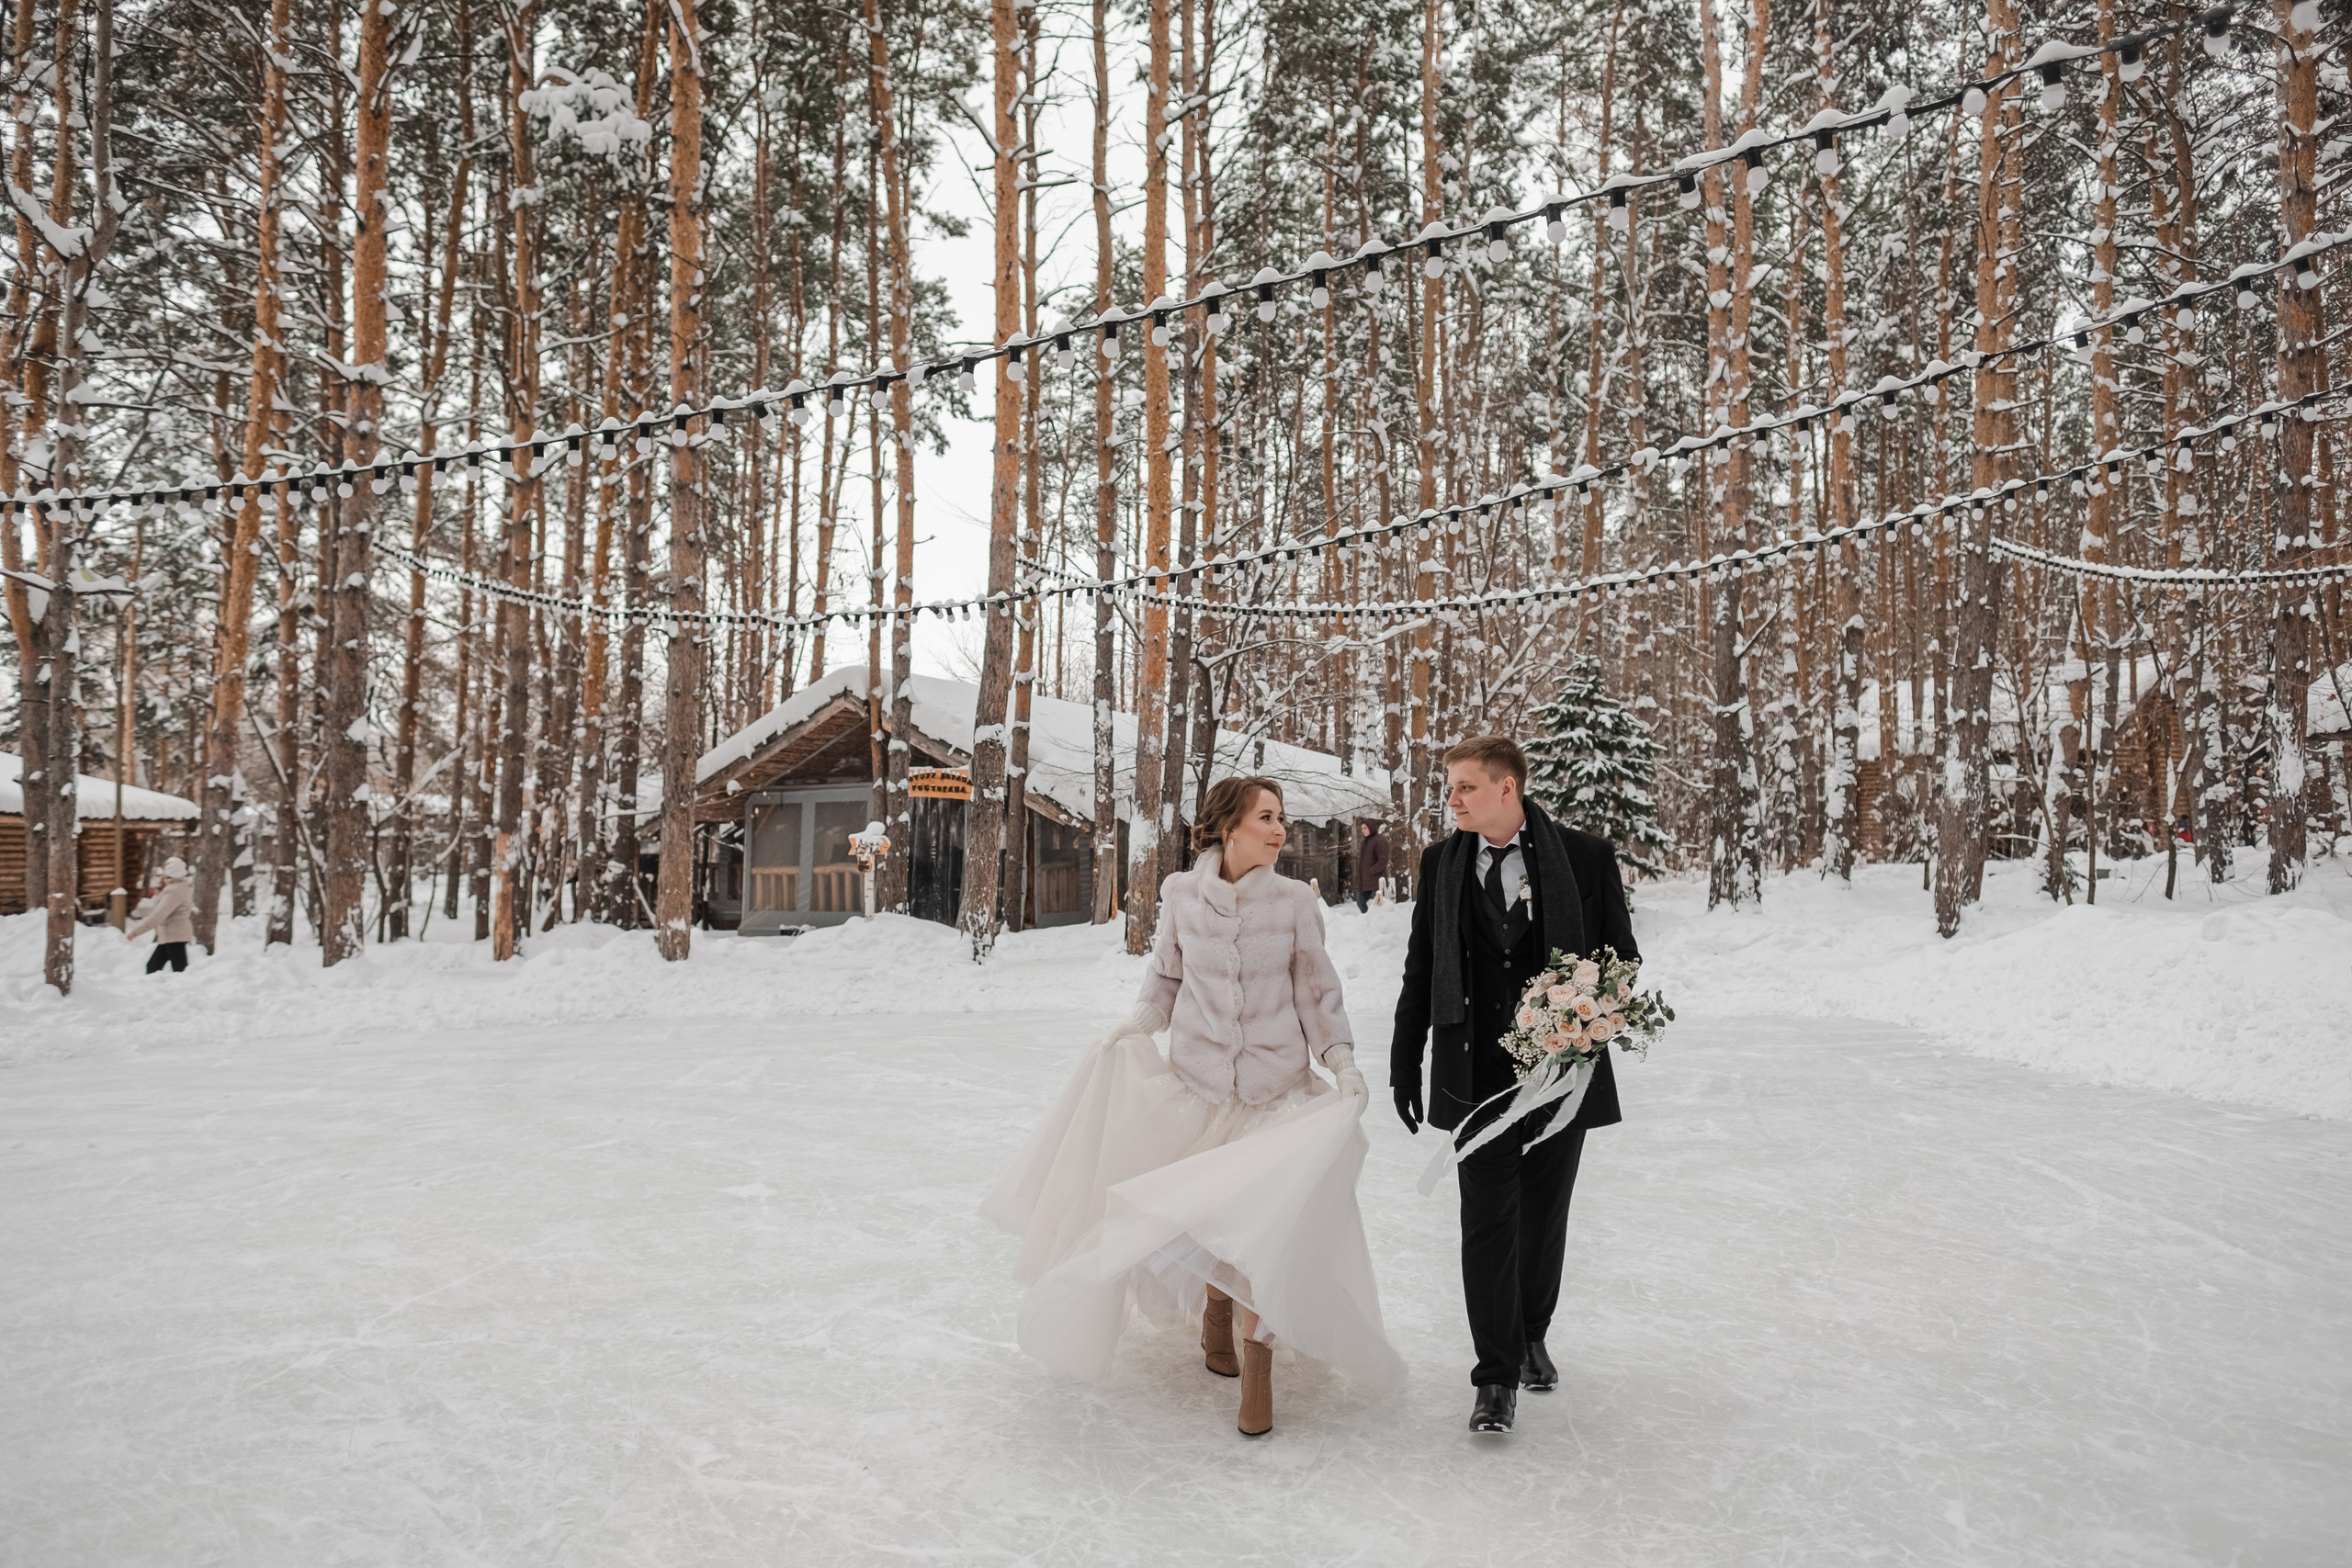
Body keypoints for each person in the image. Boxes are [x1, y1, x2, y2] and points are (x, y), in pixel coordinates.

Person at [984, 776, 1405, 1438]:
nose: (1279, 830)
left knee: (1266, 1228)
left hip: (1277, 1094)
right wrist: (1135, 1026)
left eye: (1282, 818)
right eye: (1266, 817)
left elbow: (1318, 994)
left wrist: (1343, 1062)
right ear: (1227, 827)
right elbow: (1167, 978)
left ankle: (1258, 1364)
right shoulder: (1183, 895)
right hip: (1200, 1089)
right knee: (1205, 1216)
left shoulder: (1295, 902)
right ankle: (1215, 1307)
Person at [1390, 736, 1637, 1435]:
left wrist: (1581, 1018)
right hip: (1475, 1075)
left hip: (1560, 1072)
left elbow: (1620, 957)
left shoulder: (1586, 858)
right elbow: (1421, 968)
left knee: (1543, 1215)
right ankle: (1494, 1377)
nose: (1453, 799)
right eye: (1451, 787)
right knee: (1487, 1222)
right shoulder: (1441, 863)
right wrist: (1406, 1058)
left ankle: (1532, 1330)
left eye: (1466, 786)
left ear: (1508, 788)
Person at [125, 855, 196, 974]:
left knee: (178, 971)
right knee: (154, 968)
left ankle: (188, 990)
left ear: (171, 875)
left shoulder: (174, 891)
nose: (162, 877)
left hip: (174, 935)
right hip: (171, 936)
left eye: (165, 875)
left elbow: (158, 915)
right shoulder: (177, 887)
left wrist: (135, 932)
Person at [1352, 819, 1388, 913]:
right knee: (1360, 903)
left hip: (1377, 881)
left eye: (1365, 828)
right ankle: (1367, 922)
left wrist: (1372, 871)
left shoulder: (1380, 841)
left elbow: (1383, 860)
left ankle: (1379, 923)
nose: (1362, 830)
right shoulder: (1364, 842)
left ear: (1371, 828)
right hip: (1365, 882)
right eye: (1362, 828)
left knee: (1379, 906)